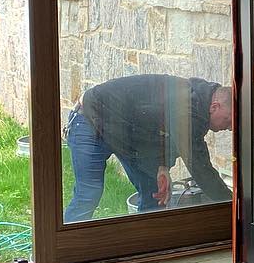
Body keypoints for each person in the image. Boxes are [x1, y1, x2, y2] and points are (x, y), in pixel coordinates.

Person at [63, 75, 233, 223]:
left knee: (155, 191)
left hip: (123, 130)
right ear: (215, 107)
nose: (231, 127)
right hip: (89, 120)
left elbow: (162, 128)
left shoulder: (197, 104)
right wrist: (234, 209)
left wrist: (163, 165)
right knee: (88, 193)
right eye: (229, 120)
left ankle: (147, 245)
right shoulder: (190, 107)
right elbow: (199, 166)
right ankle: (67, 248)